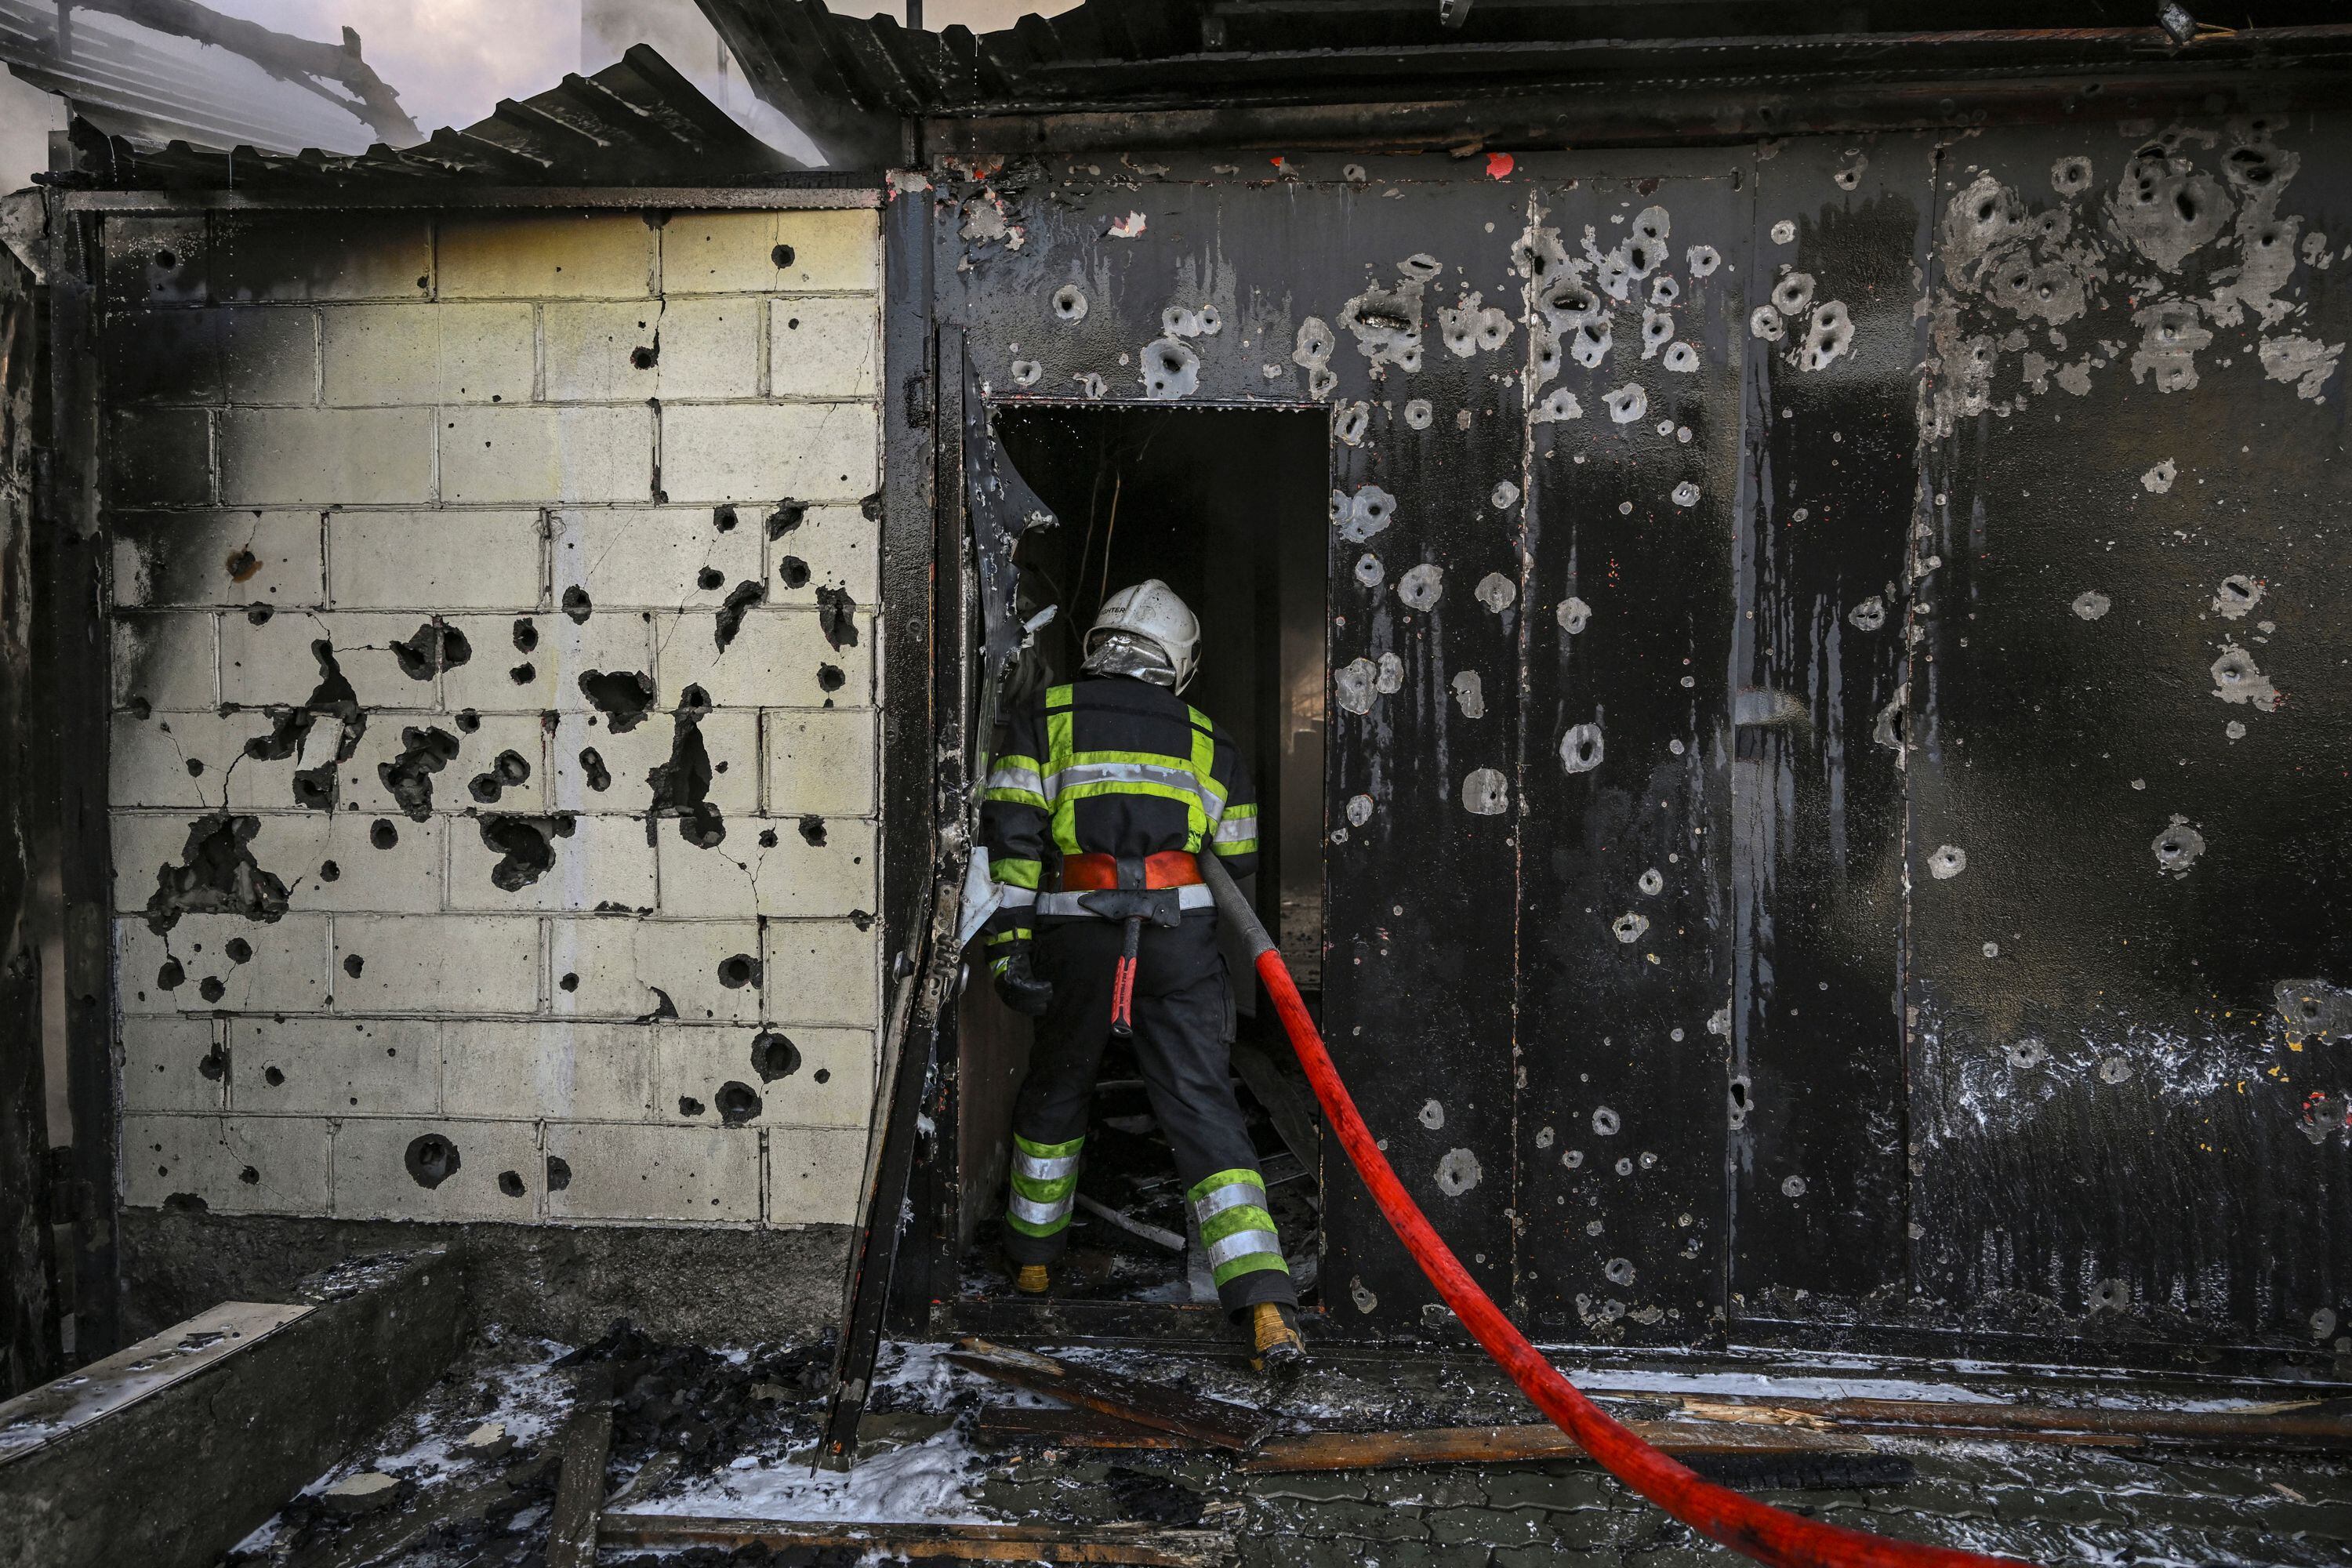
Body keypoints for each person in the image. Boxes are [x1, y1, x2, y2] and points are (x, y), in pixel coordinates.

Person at [978, 579, 1305, 1376]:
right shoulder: (1209, 738)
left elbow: (1012, 842)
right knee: (1201, 1100)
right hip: (1177, 938)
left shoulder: (1042, 716)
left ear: (1097, 642)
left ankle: (1032, 1260)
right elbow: (1242, 851)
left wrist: (1007, 946)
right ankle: (1263, 1302)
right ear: (1180, 662)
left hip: (1076, 930)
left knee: (1059, 1085)